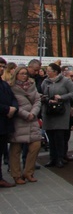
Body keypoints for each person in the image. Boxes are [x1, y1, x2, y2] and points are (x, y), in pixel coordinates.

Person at [9, 66, 42, 184]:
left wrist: (33, 113)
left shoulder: (32, 86)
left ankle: (28, 172)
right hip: (19, 121)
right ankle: (16, 174)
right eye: (22, 73)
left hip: (32, 120)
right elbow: (12, 104)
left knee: (36, 145)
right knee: (15, 149)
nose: (24, 76)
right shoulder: (11, 87)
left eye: (26, 74)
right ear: (16, 74)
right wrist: (25, 114)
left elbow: (37, 100)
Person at [41, 63, 73, 169]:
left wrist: (62, 97)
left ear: (55, 72)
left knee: (59, 136)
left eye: (49, 70)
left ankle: (60, 158)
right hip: (49, 112)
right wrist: (45, 98)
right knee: (51, 137)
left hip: (61, 112)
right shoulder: (45, 81)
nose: (47, 72)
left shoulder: (66, 81)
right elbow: (41, 92)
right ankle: (52, 158)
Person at [0, 59, 18, 188]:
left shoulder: (4, 84)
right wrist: (7, 109)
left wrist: (13, 108)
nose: (1, 69)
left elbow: (13, 98)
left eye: (3, 66)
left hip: (5, 123)